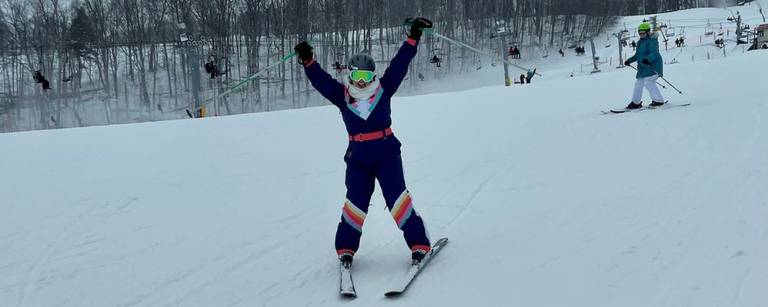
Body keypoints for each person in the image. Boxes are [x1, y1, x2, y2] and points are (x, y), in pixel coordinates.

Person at [293, 17, 434, 268]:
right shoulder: (342, 95)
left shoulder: (383, 89)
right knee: (355, 203)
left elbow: (400, 64)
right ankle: (346, 249)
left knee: (397, 200)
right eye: (357, 75)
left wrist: (413, 37)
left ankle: (419, 244)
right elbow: (321, 81)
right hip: (358, 157)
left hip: (386, 153)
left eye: (366, 75)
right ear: (350, 74)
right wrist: (308, 61)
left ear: (373, 75)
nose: (361, 80)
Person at [623, 22, 665, 109]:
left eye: (643, 33)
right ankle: (635, 102)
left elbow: (655, 53)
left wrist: (648, 59)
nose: (641, 35)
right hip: (643, 68)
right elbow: (637, 55)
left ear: (648, 32)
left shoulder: (652, 41)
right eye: (640, 33)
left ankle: (658, 100)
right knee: (638, 83)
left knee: (648, 82)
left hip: (653, 66)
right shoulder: (640, 43)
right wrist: (629, 61)